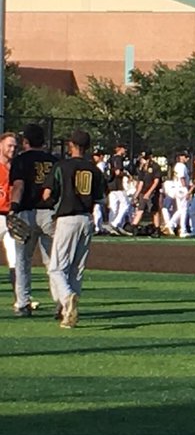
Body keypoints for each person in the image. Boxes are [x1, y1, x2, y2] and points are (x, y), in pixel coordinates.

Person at [44, 130, 106, 328]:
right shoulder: (94, 169)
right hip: (87, 218)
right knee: (77, 269)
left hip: (67, 218)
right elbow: (101, 198)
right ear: (87, 147)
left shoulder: (62, 166)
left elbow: (47, 194)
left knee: (56, 267)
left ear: (71, 144)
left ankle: (66, 299)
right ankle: (69, 314)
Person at [9, 124, 57, 316]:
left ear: (26, 142)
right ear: (43, 142)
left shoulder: (21, 160)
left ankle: (23, 303)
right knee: (53, 261)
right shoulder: (54, 160)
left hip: (27, 212)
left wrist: (13, 208)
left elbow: (19, 186)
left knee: (22, 260)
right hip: (50, 213)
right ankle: (61, 301)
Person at [0, 132, 21, 312]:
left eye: (15, 146)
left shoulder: (17, 167)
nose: (12, 149)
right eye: (9, 145)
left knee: (15, 260)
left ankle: (20, 300)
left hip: (11, 217)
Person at [129, 152, 164, 236]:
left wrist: (149, 193)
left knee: (154, 211)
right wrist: (136, 194)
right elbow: (141, 182)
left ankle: (157, 229)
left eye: (145, 158)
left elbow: (156, 181)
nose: (143, 160)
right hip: (143, 192)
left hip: (153, 192)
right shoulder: (142, 169)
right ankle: (134, 227)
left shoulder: (155, 167)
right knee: (140, 209)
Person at [105, 144, 132, 235]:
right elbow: (117, 172)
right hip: (117, 185)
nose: (125, 151)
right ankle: (115, 223)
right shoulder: (118, 158)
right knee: (126, 204)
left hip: (111, 185)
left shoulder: (110, 159)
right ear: (120, 149)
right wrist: (127, 175)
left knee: (114, 206)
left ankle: (112, 227)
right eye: (124, 149)